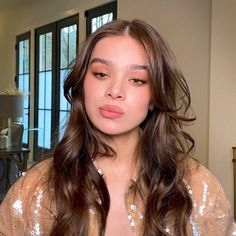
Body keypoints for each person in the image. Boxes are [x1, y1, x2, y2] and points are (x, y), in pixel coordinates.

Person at [0, 19, 235, 236]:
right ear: (82, 84)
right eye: (101, 74)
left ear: (154, 96)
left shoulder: (199, 187)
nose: (115, 90)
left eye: (137, 80)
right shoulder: (34, 190)